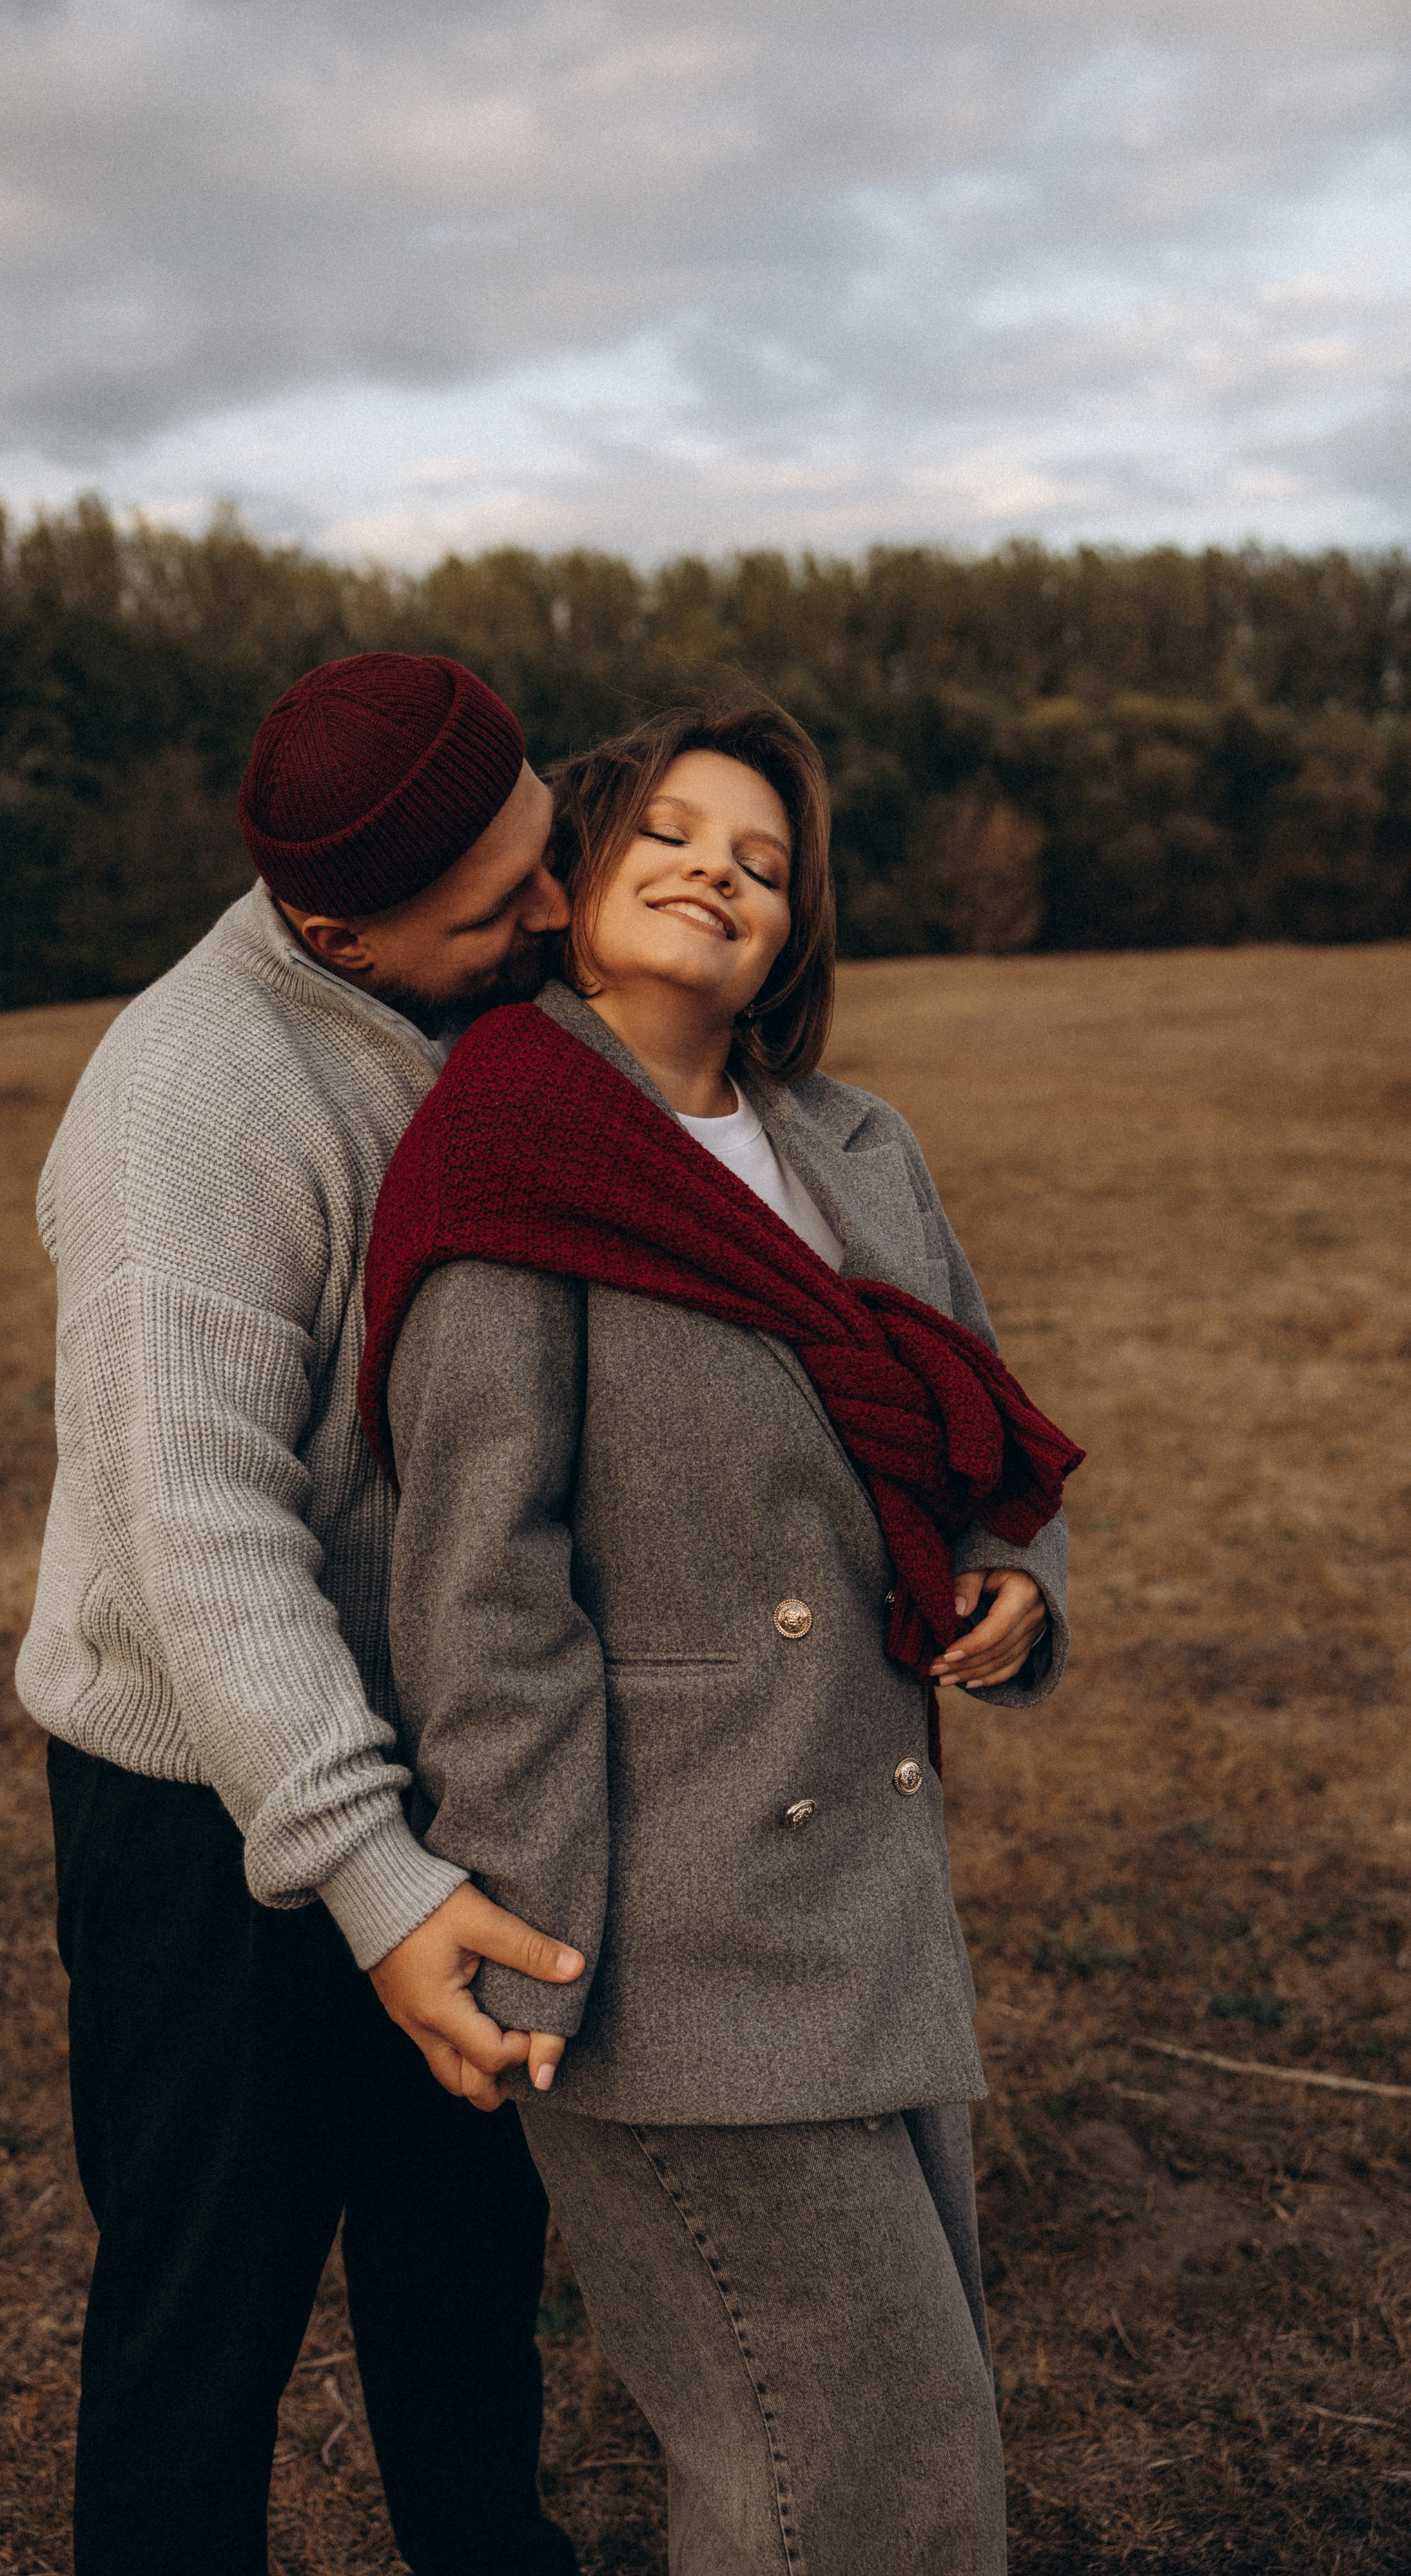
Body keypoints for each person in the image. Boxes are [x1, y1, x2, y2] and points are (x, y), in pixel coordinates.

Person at [358, 697, 1083, 2576]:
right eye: (672, 832)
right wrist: (526, 1956)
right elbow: (478, 1590)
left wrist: (1013, 1570)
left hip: (875, 1906)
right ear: (573, 880)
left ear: (795, 928)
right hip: (668, 1944)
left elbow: (981, 1429)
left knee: (904, 2453)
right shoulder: (506, 1145)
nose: (720, 873)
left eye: (764, 861)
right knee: (849, 2475)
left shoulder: (855, 1142)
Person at [16, 652, 588, 2576]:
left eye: (549, 853)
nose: (558, 915)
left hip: (457, 1765)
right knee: (205, 2316)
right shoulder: (187, 1106)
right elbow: (197, 1534)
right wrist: (372, 1873)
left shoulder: (490, 996)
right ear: (328, 928)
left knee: (466, 2274)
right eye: (502, 907)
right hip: (199, 1818)